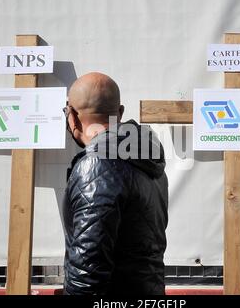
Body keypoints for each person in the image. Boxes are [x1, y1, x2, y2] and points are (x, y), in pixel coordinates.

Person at [63, 72, 168, 295]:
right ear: (120, 112)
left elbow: (87, 272)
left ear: (71, 116)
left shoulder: (95, 166)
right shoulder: (147, 161)